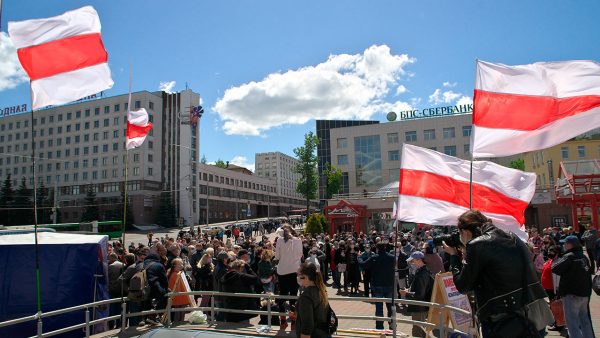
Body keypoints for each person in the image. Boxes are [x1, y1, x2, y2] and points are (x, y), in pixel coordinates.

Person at [444, 210, 548, 338]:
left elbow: (463, 286)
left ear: (465, 232)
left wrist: (454, 256)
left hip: (501, 317)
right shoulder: (511, 236)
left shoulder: (477, 245)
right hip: (531, 310)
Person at [552, 235, 595, 338]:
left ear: (570, 244)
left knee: (572, 322)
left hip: (571, 293)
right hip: (584, 293)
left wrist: (559, 258)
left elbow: (554, 268)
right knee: (584, 320)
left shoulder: (569, 256)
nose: (564, 245)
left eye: (565, 243)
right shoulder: (583, 257)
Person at [360, 242, 395, 330]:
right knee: (390, 307)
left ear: (377, 248)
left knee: (379, 307)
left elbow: (364, 265)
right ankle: (392, 325)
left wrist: (359, 257)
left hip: (377, 285)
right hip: (389, 284)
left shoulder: (374, 257)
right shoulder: (391, 257)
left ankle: (379, 327)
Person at [275, 225, 303, 329]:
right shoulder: (298, 240)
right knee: (293, 296)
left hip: (282, 271)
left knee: (282, 296)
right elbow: (300, 255)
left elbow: (277, 256)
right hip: (294, 270)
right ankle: (294, 323)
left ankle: (283, 322)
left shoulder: (279, 240)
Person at [400, 251, 433, 338]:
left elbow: (419, 294)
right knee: (420, 330)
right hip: (420, 306)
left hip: (420, 307)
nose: (411, 263)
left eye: (413, 261)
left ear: (419, 260)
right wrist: (409, 290)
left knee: (417, 332)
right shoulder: (422, 271)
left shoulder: (422, 273)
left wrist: (406, 293)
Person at [295, 262, 331, 338]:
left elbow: (307, 326)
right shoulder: (320, 290)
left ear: (306, 277)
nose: (297, 277)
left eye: (298, 275)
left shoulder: (306, 297)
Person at [144, 252, 169, 325]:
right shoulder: (158, 265)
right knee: (165, 296)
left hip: (142, 288)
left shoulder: (141, 264)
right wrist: (166, 288)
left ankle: (146, 318)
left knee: (147, 302)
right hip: (154, 286)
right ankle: (154, 316)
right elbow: (164, 279)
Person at [167, 258, 194, 322]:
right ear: (175, 265)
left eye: (182, 264)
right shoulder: (175, 274)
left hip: (180, 296)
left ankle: (178, 322)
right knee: (178, 312)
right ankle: (177, 323)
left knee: (181, 312)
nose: (182, 265)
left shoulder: (178, 273)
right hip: (178, 296)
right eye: (180, 264)